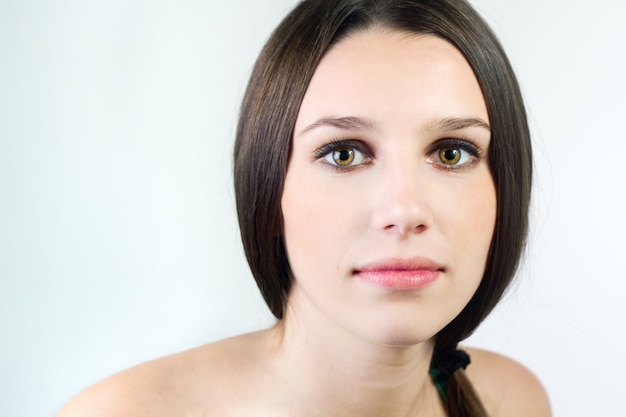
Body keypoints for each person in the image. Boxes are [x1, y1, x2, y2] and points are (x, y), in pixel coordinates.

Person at [58, 0, 551, 416]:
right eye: (344, 153)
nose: (404, 209)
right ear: (269, 192)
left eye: (451, 152)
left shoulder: (512, 400)